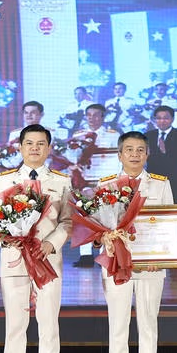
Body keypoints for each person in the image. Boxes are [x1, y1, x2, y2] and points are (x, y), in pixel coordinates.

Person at [0, 124, 72, 353]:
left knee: (48, 322)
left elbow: (67, 221)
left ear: (49, 148)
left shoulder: (61, 181)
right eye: (29, 143)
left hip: (47, 260)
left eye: (41, 144)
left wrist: (52, 243)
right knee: (15, 324)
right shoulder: (4, 180)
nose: (35, 148)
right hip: (15, 260)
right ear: (20, 147)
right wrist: (8, 237)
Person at [101, 131, 174, 353]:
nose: (134, 154)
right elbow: (97, 225)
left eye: (140, 150)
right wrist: (104, 237)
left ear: (147, 154)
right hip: (116, 263)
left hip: (150, 266)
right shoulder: (106, 184)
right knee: (117, 323)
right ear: (119, 154)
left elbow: (170, 223)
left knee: (148, 323)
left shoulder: (160, 184)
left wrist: (162, 257)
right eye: (129, 150)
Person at [71, 104, 121, 268]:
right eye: (89, 115)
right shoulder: (78, 135)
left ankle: (105, 254)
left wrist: (110, 184)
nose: (92, 118)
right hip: (84, 183)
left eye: (96, 115)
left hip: (105, 183)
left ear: (103, 117)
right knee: (84, 218)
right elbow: (72, 160)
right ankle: (85, 255)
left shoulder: (114, 136)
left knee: (107, 220)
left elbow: (118, 162)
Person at [145, 106, 177, 204]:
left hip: (174, 184)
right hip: (153, 182)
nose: (162, 121)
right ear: (155, 119)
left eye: (166, 118)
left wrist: (166, 151)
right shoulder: (148, 136)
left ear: (172, 119)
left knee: (174, 211)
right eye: (159, 118)